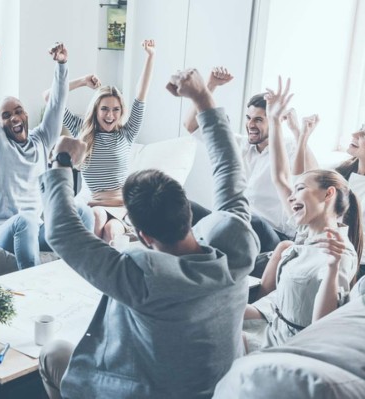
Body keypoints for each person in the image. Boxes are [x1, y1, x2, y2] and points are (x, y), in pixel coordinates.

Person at [38, 68, 259, 398]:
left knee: (53, 352)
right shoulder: (236, 249)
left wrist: (61, 161)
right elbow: (230, 170)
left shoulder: (142, 277)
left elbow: (62, 232)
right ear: (188, 210)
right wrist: (202, 96)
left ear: (141, 235)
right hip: (219, 386)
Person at [244, 77, 361, 350]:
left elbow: (322, 328)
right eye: (293, 192)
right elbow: (279, 177)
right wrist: (273, 121)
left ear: (327, 194)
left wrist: (332, 269)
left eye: (301, 190)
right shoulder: (309, 232)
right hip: (272, 326)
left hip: (292, 346)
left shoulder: (339, 253)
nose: (292, 196)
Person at [0, 42, 93, 269]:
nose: (15, 117)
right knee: (26, 220)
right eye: (6, 115)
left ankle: (84, 274)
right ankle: (32, 286)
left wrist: (61, 65)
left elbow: (57, 105)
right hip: (4, 231)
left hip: (37, 227)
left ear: (26, 113)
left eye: (18, 110)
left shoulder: (40, 139)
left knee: (83, 212)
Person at [184, 67, 318, 252]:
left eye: (258, 120)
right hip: (232, 223)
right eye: (248, 118)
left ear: (273, 119)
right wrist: (210, 85)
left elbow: (314, 175)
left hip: (272, 234)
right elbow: (191, 125)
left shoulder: (290, 147)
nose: (250, 125)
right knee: (185, 208)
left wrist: (298, 133)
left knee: (248, 220)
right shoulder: (239, 144)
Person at [43, 39, 155, 242]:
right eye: (104, 109)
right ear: (95, 110)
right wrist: (83, 81)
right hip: (95, 205)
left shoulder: (127, 133)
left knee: (112, 231)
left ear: (121, 112)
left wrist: (150, 56)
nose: (110, 115)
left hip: (123, 206)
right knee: (96, 218)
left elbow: (141, 96)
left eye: (115, 109)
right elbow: (49, 97)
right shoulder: (81, 131)